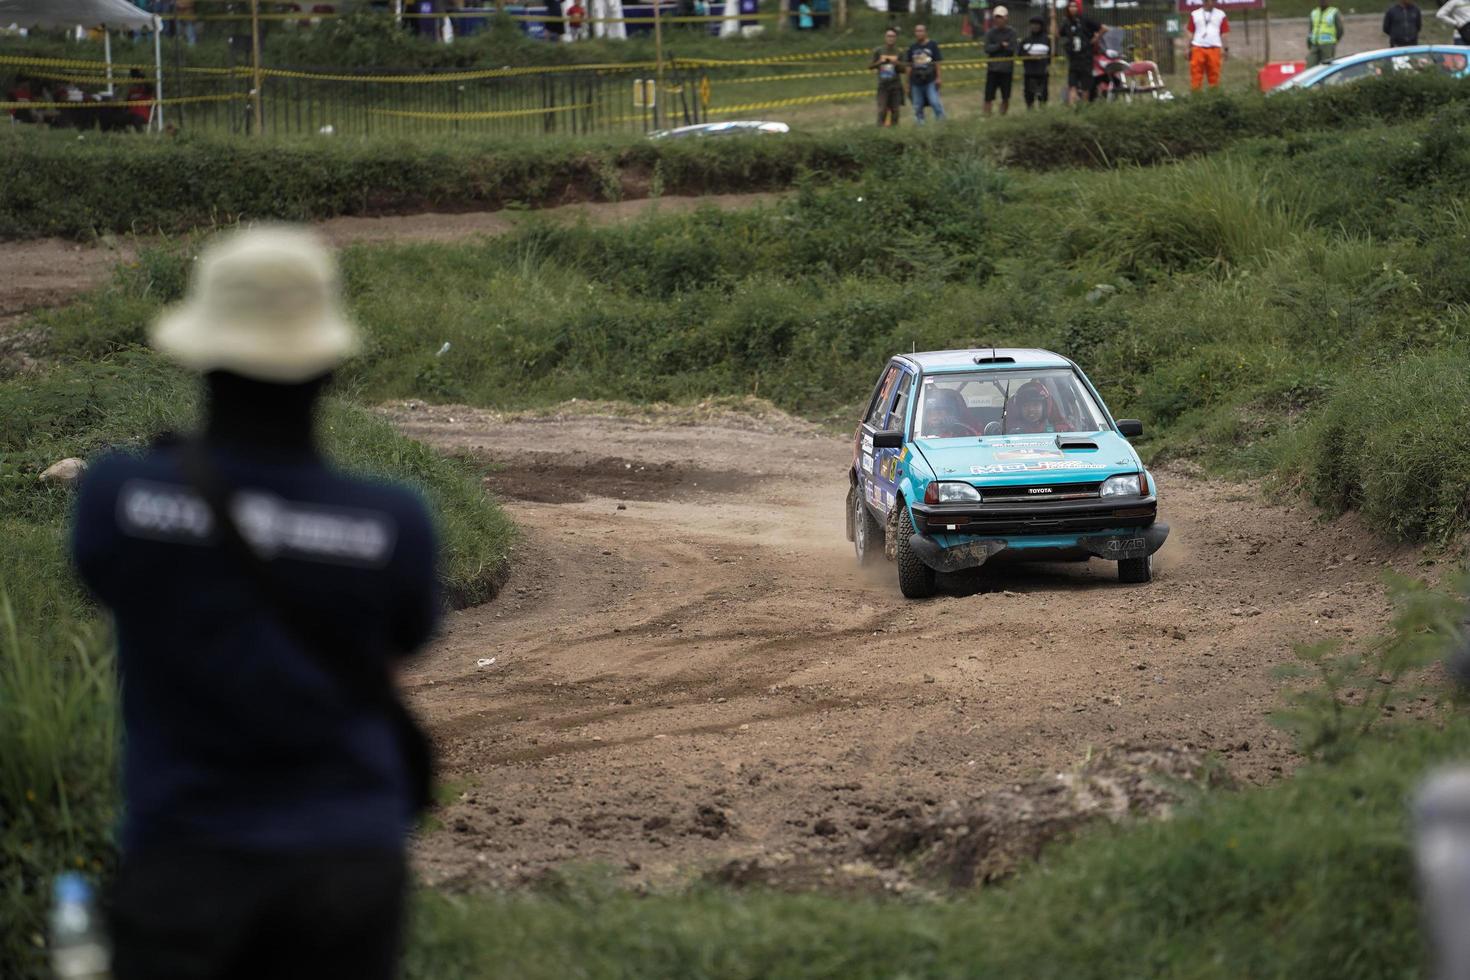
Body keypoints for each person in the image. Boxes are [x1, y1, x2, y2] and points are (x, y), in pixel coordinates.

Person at [71, 226, 440, 980]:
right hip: (347, 858)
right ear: (331, 363)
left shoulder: (120, 497)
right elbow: (406, 641)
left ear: (202, 354)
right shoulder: (393, 523)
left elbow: (106, 583)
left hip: (185, 855)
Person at [1059, 0, 1104, 103]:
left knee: (1085, 86)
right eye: (1070, 6)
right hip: (1073, 59)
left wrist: (1095, 39)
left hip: (1086, 58)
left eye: (1075, 6)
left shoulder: (1086, 20)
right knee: (1072, 85)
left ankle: (1084, 108)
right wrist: (1052, 18)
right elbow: (1058, 34)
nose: (1072, 8)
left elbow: (1103, 28)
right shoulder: (1067, 22)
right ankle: (1072, 109)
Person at [1186, 0, 1230, 91]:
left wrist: (1225, 49)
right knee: (1196, 74)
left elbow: (1224, 33)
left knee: (1214, 74)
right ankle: (1196, 96)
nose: (1212, 2)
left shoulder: (1220, 14)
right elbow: (1190, 32)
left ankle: (1213, 96)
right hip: (1198, 47)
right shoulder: (1195, 14)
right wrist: (1187, 48)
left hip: (1214, 48)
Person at [905, 22, 945, 123]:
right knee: (917, 105)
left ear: (925, 32)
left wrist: (939, 77)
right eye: (917, 31)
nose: (919, 33)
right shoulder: (912, 47)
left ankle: (942, 122)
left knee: (934, 102)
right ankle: (920, 125)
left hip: (930, 80)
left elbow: (937, 63)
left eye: (921, 31)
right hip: (916, 81)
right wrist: (907, 82)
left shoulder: (932, 45)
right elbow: (909, 66)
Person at [983, 5, 1019, 116]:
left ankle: (1002, 116)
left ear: (1006, 18)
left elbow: (1013, 48)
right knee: (988, 96)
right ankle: (987, 116)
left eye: (1001, 17)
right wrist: (1000, 45)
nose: (998, 20)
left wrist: (1001, 47)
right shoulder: (990, 33)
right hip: (992, 69)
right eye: (997, 17)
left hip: (1006, 70)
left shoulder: (1012, 32)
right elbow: (987, 49)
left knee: (1006, 96)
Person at [871, 27, 908, 127]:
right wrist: (880, 62)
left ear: (896, 38)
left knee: (895, 110)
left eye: (893, 36)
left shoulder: (899, 52)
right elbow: (870, 66)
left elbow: (904, 70)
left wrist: (897, 63)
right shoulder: (878, 50)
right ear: (885, 37)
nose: (890, 38)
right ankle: (879, 130)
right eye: (888, 36)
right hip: (883, 85)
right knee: (882, 109)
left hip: (896, 85)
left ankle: (894, 131)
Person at [1007, 381, 1074, 434]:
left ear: (1045, 407)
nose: (1031, 410)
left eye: (1035, 405)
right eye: (1025, 406)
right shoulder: (1007, 431)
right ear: (1019, 409)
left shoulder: (1063, 430)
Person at [1020, 16, 1051, 109]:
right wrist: (1030, 57)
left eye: (1037, 24)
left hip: (1042, 74)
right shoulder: (1025, 40)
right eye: (1033, 24)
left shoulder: (1047, 40)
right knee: (1029, 97)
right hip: (1029, 73)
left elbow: (1051, 56)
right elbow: (1020, 54)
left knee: (1042, 97)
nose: (1034, 26)